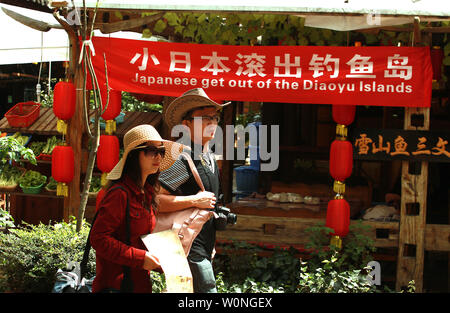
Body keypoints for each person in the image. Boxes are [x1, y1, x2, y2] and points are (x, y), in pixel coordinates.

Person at [90, 124, 180, 293]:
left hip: (139, 284)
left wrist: (168, 260)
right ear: (133, 155)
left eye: (161, 151)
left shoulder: (147, 192)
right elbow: (98, 238)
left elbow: (137, 238)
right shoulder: (119, 194)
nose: (158, 156)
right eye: (151, 150)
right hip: (117, 285)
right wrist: (140, 258)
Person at [157, 88, 231, 293]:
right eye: (204, 118)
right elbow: (155, 201)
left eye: (215, 117)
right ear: (187, 124)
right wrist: (194, 201)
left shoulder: (210, 158)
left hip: (201, 243)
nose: (212, 123)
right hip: (185, 245)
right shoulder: (183, 159)